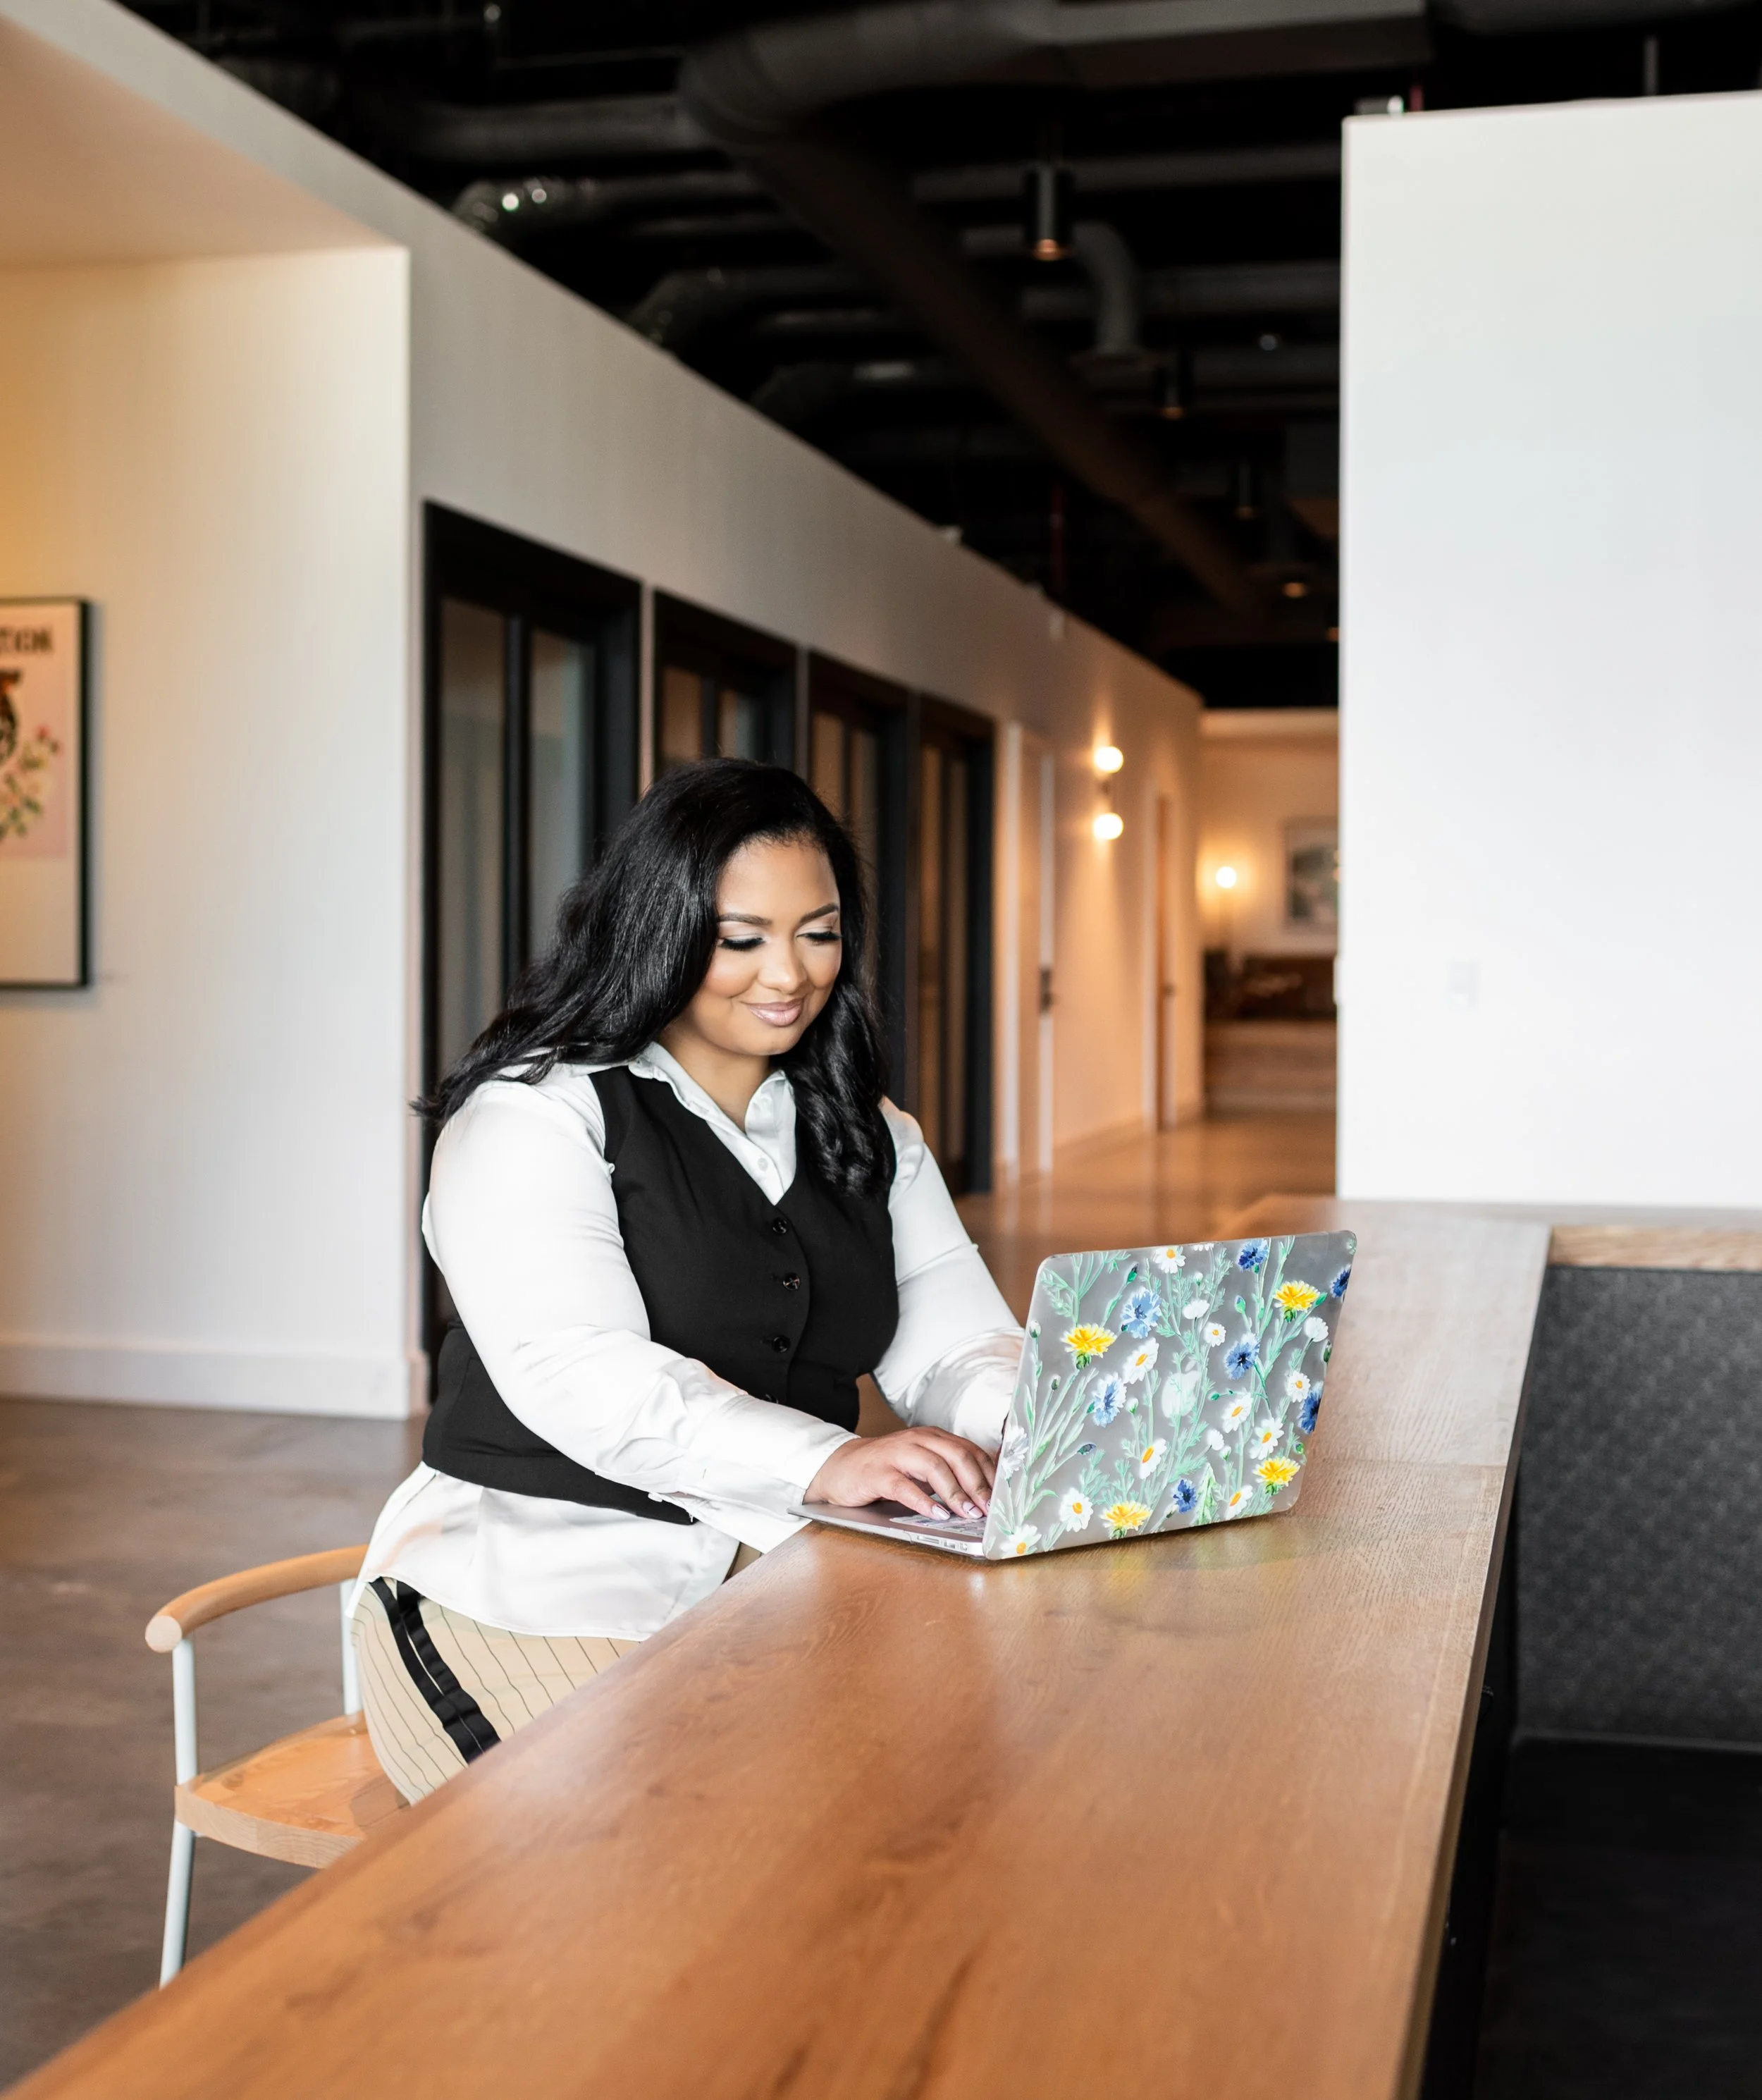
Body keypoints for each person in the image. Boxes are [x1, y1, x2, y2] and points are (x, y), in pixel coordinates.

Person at [352, 759, 1021, 1802]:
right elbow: (581, 1373)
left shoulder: (872, 1130)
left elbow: (952, 1341)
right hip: (525, 1583)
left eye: (820, 930)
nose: (788, 973)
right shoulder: (538, 1114)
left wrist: (1041, 1424)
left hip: (770, 1573)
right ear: (657, 930)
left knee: (927, 1803)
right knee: (652, 1862)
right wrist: (829, 1460)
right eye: (740, 937)